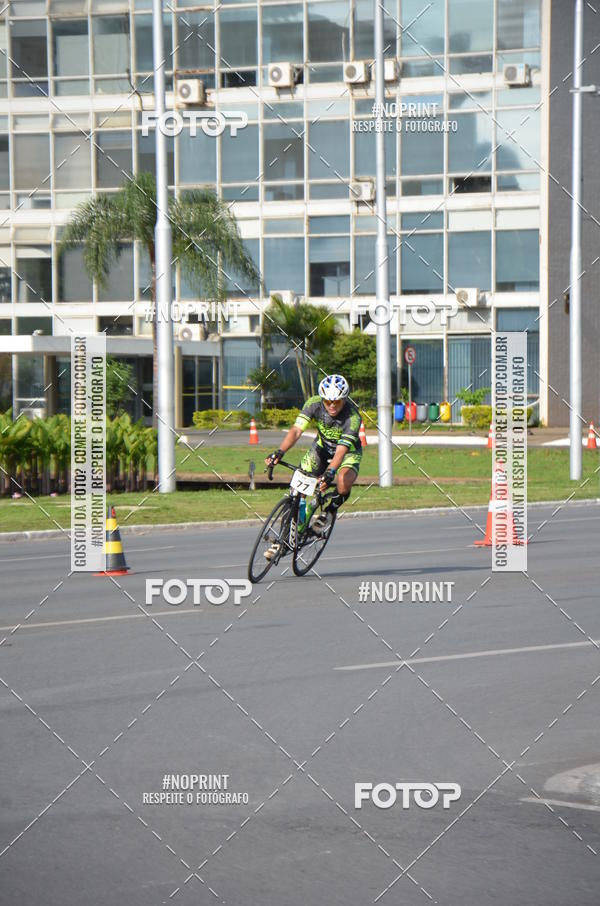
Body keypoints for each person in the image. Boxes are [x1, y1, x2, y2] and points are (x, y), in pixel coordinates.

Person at [263, 374, 362, 559]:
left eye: (337, 402)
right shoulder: (313, 404)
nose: (332, 405)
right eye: (328, 401)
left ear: (344, 400)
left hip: (347, 453)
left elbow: (341, 451)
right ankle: (284, 539)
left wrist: (330, 473)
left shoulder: (353, 417)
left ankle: (330, 511)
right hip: (322, 449)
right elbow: (296, 430)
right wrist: (279, 452)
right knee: (295, 491)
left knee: (342, 481)